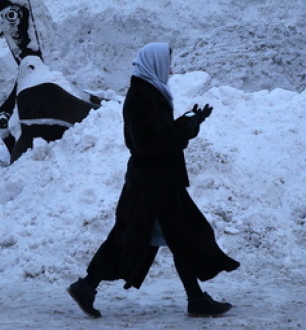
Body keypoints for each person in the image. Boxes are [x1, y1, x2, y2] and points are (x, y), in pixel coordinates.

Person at [67, 43, 239, 318]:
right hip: (154, 185)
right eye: (167, 63)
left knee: (150, 236)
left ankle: (88, 286)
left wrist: (189, 123)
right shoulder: (142, 96)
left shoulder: (151, 92)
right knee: (170, 235)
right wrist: (183, 128)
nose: (171, 69)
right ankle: (195, 300)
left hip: (157, 182)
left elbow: (160, 135)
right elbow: (144, 143)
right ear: (154, 64)